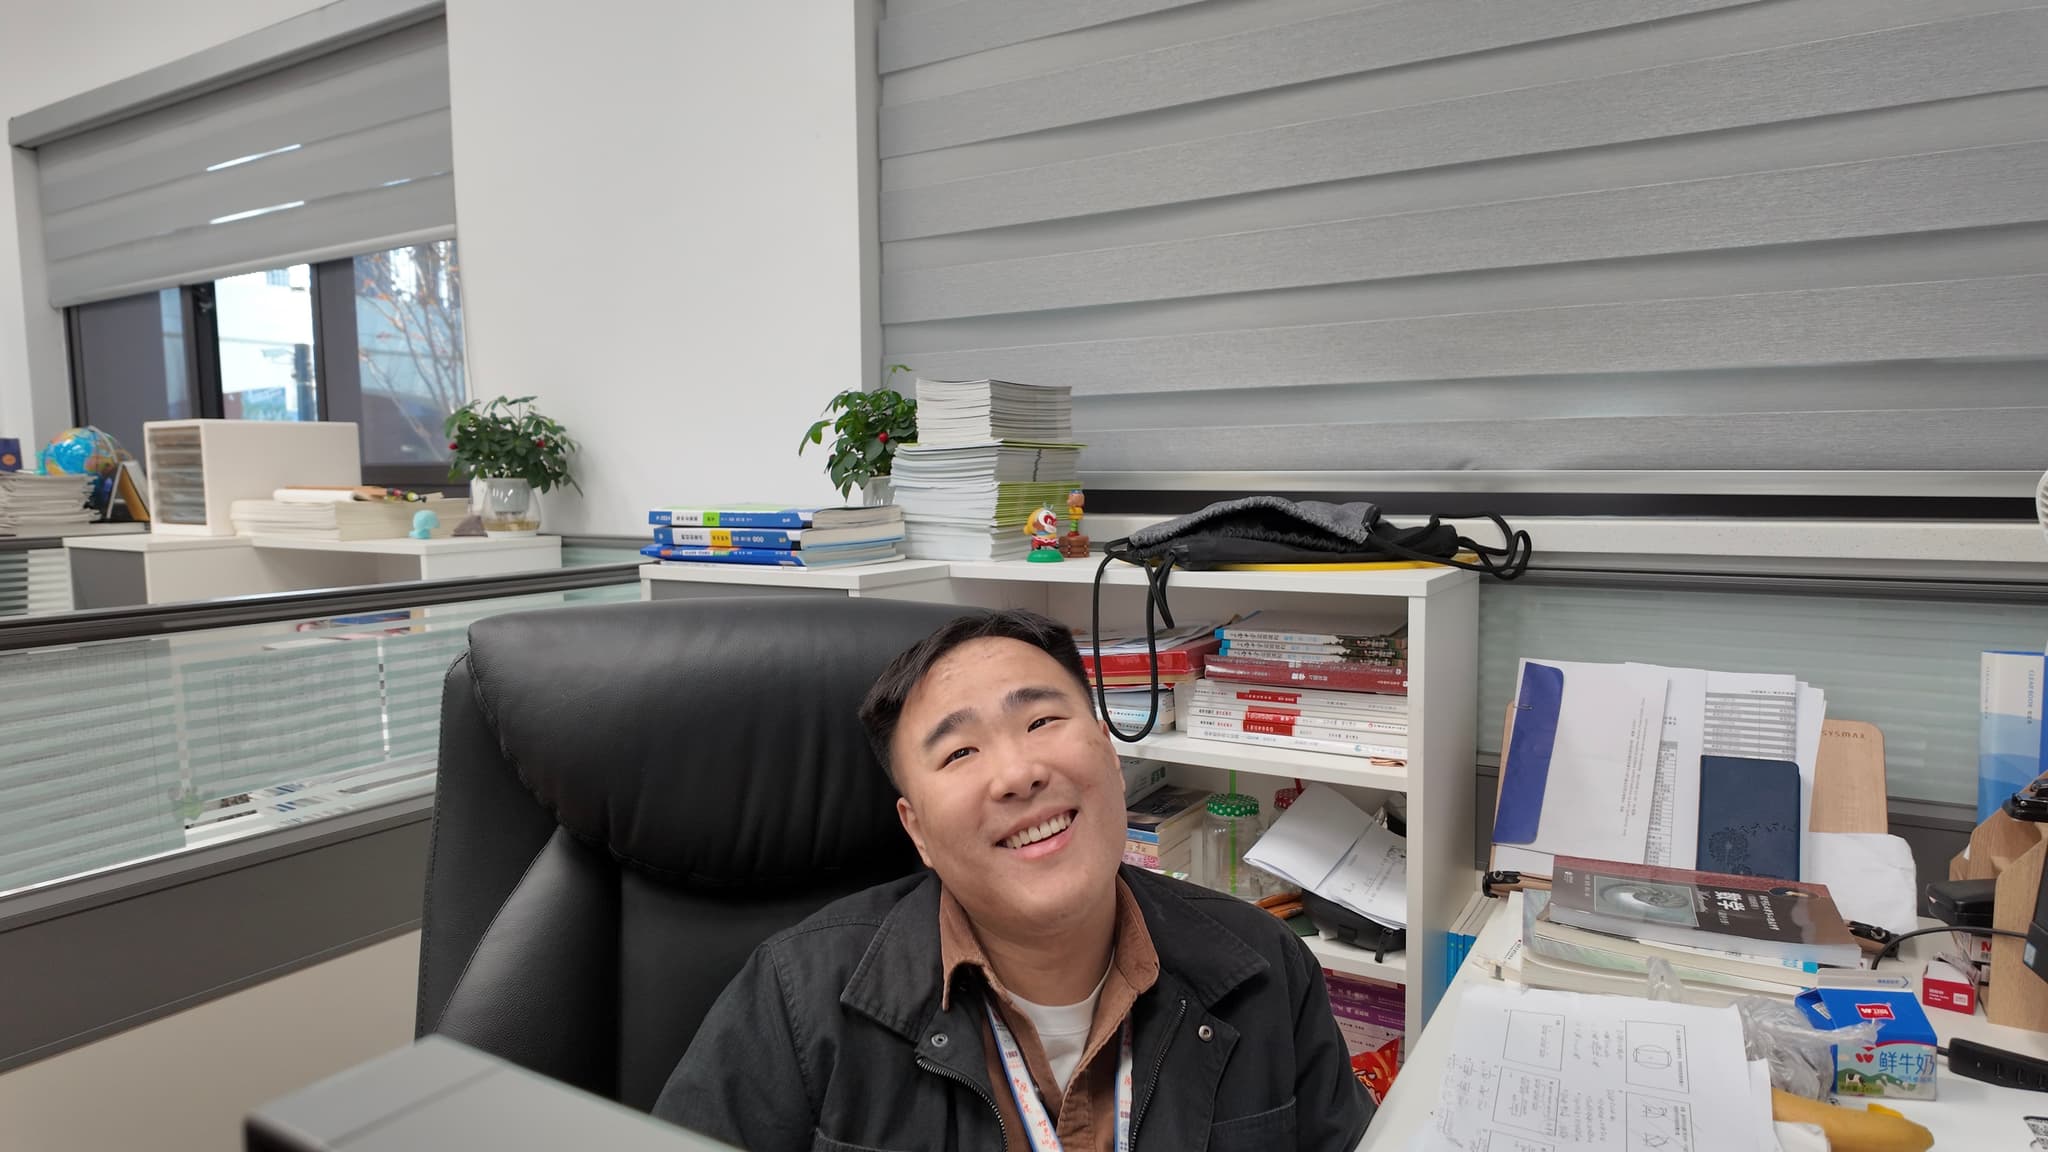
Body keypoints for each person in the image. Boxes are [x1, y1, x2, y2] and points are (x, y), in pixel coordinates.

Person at [654, 609, 1373, 1150]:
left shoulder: (1265, 970)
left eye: (1040, 721)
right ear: (917, 831)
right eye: (961, 751)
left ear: (1109, 753)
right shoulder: (796, 1001)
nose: (1018, 773)